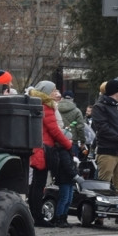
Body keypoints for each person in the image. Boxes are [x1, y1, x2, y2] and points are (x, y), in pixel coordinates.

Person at [28, 80, 74, 226]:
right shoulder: (46, 107)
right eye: (54, 90)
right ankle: (38, 217)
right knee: (39, 184)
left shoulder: (36, 104)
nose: (56, 93)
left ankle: (35, 215)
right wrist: (68, 144)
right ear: (46, 92)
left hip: (37, 148)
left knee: (36, 184)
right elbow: (54, 131)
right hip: (44, 150)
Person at [92, 79, 118, 196]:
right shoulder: (100, 107)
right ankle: (101, 210)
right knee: (104, 183)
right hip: (107, 151)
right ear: (116, 92)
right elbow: (102, 127)